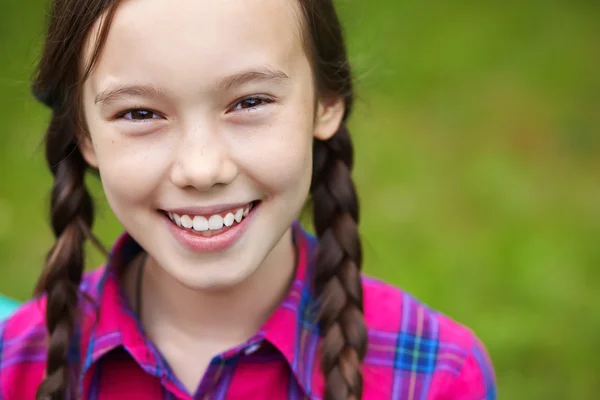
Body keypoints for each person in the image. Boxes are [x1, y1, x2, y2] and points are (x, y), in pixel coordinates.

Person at [0, 0, 496, 399]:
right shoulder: (14, 366)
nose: (201, 169)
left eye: (250, 102)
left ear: (326, 103)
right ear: (84, 136)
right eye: (140, 113)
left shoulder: (436, 376)